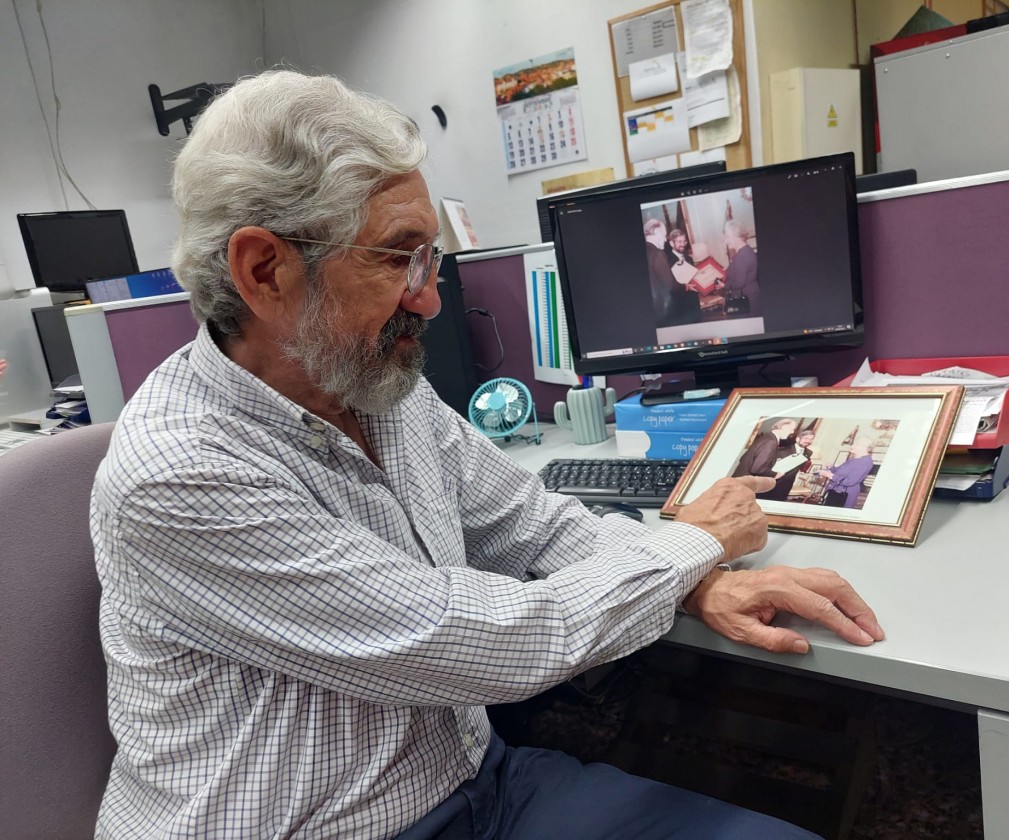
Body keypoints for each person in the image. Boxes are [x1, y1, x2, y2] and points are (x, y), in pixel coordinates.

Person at [91, 70, 883, 840]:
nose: (430, 297)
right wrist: (694, 542)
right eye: (397, 257)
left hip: (479, 788)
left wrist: (700, 580)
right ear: (265, 270)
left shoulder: (376, 385)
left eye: (427, 256)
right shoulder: (177, 474)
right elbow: (474, 641)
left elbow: (532, 527)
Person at [645, 218, 699, 327]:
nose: (665, 240)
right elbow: (669, 285)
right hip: (667, 310)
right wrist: (685, 287)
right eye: (664, 235)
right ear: (655, 233)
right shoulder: (658, 254)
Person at [757, 428, 815, 502]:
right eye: (806, 438)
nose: (808, 441)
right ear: (797, 439)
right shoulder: (782, 449)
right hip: (771, 482)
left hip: (787, 485)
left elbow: (801, 467)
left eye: (811, 439)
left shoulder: (808, 453)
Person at [731, 418, 798, 480]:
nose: (792, 432)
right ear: (784, 427)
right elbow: (756, 469)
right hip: (745, 483)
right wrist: (775, 474)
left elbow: (743, 458)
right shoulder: (771, 442)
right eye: (792, 429)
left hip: (739, 478)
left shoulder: (766, 437)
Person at [820, 437, 876, 508]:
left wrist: (829, 475)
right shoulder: (854, 459)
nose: (852, 446)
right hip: (835, 491)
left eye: (856, 444)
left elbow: (850, 481)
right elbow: (841, 473)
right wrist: (831, 467)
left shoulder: (865, 462)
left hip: (843, 494)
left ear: (865, 448)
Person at [723, 219, 761, 315]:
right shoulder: (747, 250)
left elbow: (739, 282)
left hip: (745, 300)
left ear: (737, 236)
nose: (726, 241)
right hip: (751, 296)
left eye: (727, 237)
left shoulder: (741, 256)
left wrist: (724, 286)